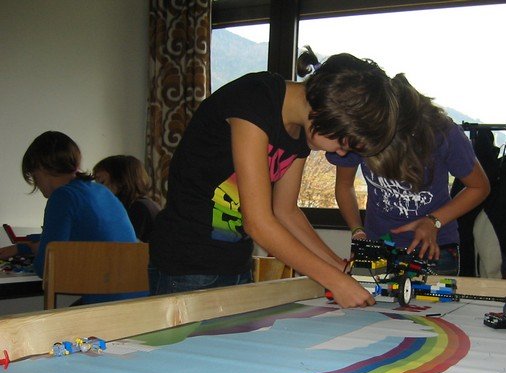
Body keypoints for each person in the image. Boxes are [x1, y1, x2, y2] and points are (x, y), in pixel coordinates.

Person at [149, 46, 399, 308]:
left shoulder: (301, 131)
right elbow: (257, 223)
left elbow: (286, 211)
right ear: (327, 111)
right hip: (186, 264)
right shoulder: (255, 100)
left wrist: (340, 268)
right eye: (343, 143)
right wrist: (334, 281)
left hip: (235, 263)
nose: (341, 153)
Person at [327, 74, 490, 276]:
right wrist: (357, 231)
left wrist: (434, 221)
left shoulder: (444, 133)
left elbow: (479, 187)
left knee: (433, 298)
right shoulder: (364, 128)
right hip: (378, 245)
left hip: (434, 248)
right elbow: (345, 185)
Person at [0, 131, 147, 305]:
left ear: (40, 167)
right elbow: (79, 240)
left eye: (33, 175)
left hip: (105, 304)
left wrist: (35, 251)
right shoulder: (101, 191)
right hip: (139, 300)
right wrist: (23, 248)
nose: (36, 183)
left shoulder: (62, 197)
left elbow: (46, 269)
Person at [93, 155, 161, 242]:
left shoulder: (138, 208)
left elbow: (126, 246)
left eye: (102, 182)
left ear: (121, 181)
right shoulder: (146, 203)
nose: (97, 189)